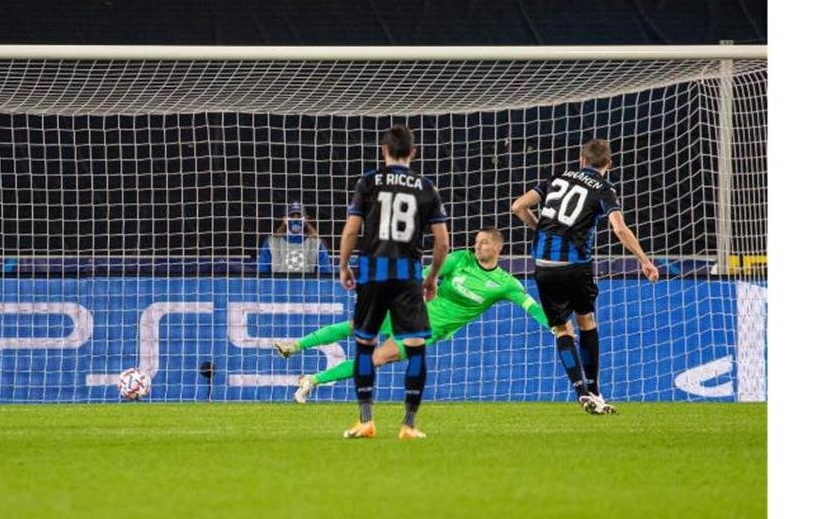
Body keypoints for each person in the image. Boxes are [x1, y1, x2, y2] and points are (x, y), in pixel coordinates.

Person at [276, 227, 550, 399]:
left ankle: (312, 380)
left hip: (425, 330)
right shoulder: (460, 259)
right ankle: (294, 346)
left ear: (498, 248)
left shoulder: (505, 284)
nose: (477, 247)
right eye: (476, 242)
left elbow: (531, 307)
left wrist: (556, 326)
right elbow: (426, 274)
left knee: (374, 360)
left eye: (484, 243)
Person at [511, 139, 659, 415]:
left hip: (543, 264)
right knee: (586, 322)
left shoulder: (557, 178)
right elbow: (619, 228)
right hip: (575, 264)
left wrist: (540, 230)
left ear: (581, 160)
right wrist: (645, 260)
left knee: (561, 330)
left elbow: (518, 206)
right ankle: (595, 392)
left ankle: (581, 393)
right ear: (608, 164)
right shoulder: (604, 188)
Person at [335, 125, 449, 439]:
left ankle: (365, 420)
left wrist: (344, 266)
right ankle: (409, 425)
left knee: (364, 345)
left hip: (372, 275)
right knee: (415, 347)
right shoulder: (427, 187)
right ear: (413, 152)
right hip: (408, 277)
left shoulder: (368, 182)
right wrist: (432, 277)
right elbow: (442, 243)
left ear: (383, 151)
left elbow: (350, 230)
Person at [257, 202, 333, 274]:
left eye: (299, 216)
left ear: (305, 219)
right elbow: (262, 273)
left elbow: (325, 274)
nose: (295, 219)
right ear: (285, 219)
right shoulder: (271, 242)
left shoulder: (316, 243)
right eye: (292, 216)